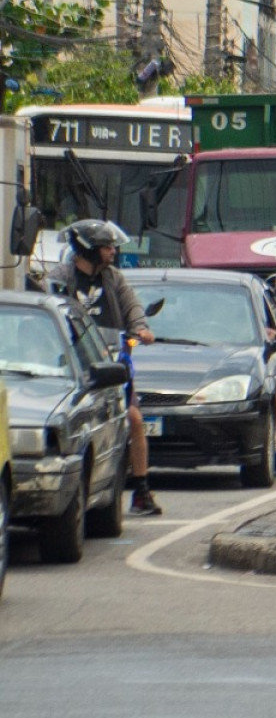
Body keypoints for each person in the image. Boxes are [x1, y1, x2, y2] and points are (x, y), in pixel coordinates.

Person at [42, 220, 162, 516]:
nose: (112, 252)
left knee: (134, 418)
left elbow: (132, 306)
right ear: (88, 249)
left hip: (111, 363)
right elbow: (48, 309)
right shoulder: (60, 278)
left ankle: (141, 492)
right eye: (107, 247)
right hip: (72, 367)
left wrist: (140, 328)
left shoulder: (113, 278)